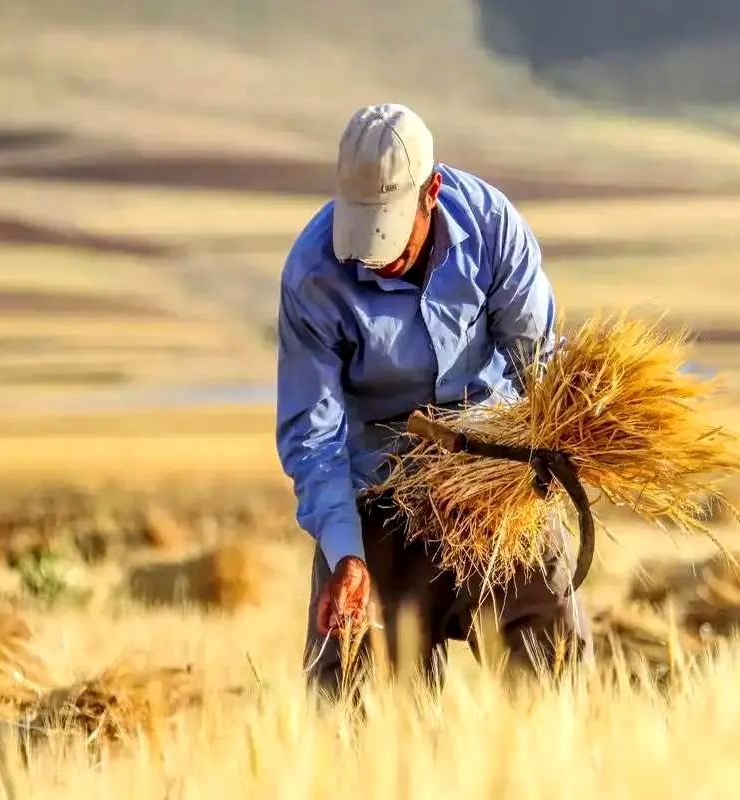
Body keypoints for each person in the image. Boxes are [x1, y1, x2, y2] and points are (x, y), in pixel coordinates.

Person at [275, 103, 592, 699]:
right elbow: (312, 436)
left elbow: (536, 365)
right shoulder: (312, 275)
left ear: (432, 193)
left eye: (389, 227)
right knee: (350, 691)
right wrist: (345, 555)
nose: (375, 252)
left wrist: (549, 457)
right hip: (380, 485)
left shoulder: (494, 228)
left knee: (554, 674)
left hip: (493, 476)